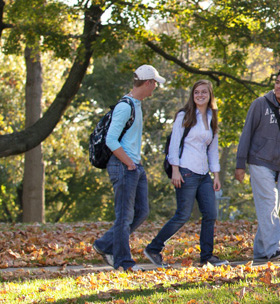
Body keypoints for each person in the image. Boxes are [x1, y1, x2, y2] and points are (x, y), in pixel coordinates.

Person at [144, 79, 229, 267]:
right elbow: (174, 144)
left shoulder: (211, 117)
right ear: (193, 95)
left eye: (204, 92)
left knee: (210, 214)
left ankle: (207, 256)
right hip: (186, 171)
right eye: (197, 92)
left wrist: (215, 175)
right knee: (183, 215)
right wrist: (175, 170)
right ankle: (154, 248)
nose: (200, 95)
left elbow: (213, 149)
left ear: (209, 95)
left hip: (203, 174)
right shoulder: (184, 115)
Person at [92, 64, 166, 272]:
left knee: (141, 212)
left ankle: (105, 244)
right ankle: (123, 262)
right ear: (149, 83)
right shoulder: (125, 106)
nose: (155, 89)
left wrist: (135, 164)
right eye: (155, 84)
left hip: (134, 166)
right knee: (124, 217)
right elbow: (111, 140)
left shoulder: (136, 104)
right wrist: (129, 163)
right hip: (124, 166)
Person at [235, 67, 280, 262]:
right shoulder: (260, 105)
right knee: (268, 206)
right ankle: (274, 248)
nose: (279, 86)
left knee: (271, 209)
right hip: (259, 162)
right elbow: (246, 133)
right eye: (277, 82)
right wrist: (240, 164)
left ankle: (260, 251)